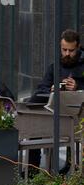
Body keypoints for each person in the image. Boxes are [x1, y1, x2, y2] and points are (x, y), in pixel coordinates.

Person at [28, 29, 84, 173]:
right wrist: (52, 90)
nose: (66, 54)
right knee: (34, 125)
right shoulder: (55, 66)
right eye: (64, 49)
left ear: (77, 48)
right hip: (54, 117)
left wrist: (78, 86)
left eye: (71, 50)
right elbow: (40, 89)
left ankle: (72, 165)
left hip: (78, 119)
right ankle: (33, 168)